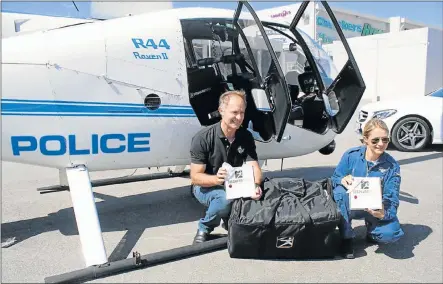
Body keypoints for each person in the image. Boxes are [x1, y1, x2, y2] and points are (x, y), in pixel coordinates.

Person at [189, 90, 263, 244]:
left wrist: (255, 185)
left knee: (261, 195)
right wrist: (216, 179)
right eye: (234, 112)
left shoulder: (245, 136)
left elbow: (254, 167)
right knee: (224, 199)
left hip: (233, 184)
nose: (239, 117)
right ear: (221, 111)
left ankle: (229, 220)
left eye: (242, 112)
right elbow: (195, 177)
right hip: (206, 186)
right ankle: (204, 228)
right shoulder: (203, 138)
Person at [331, 118, 405, 259]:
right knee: (340, 192)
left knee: (390, 234)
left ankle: (373, 230)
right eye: (375, 140)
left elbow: (392, 197)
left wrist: (383, 213)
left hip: (375, 208)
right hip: (351, 205)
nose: (381, 144)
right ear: (365, 139)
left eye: (385, 140)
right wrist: (342, 179)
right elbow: (335, 178)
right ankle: (347, 237)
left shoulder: (392, 166)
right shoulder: (351, 156)